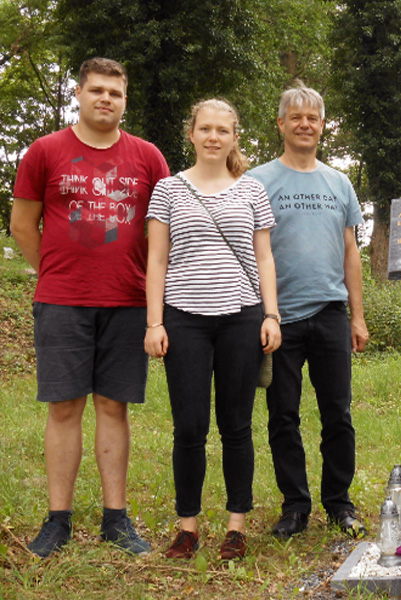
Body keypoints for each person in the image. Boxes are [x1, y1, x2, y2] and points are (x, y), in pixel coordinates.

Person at [10, 57, 169, 558]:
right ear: (78, 93)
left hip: (127, 300)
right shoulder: (45, 151)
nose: (106, 99)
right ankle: (58, 520)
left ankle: (115, 520)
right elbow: (22, 225)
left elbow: (162, 232)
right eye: (97, 90)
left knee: (113, 406)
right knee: (64, 407)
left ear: (125, 100)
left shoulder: (147, 158)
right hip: (61, 302)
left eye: (115, 93)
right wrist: (56, 271)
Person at [144, 98, 281, 560]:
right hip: (183, 320)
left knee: (236, 425)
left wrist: (271, 314)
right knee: (190, 426)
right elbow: (157, 260)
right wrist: (154, 322)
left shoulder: (252, 191)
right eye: (205, 128)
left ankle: (236, 526)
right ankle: (187, 527)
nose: (213, 137)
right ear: (192, 133)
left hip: (241, 319)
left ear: (234, 137)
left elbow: (264, 257)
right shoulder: (167, 190)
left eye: (223, 130)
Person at [248, 83, 369, 540]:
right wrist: (261, 313)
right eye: (295, 117)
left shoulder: (339, 182)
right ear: (280, 124)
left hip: (330, 313)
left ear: (322, 126)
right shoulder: (258, 180)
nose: (304, 124)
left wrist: (357, 316)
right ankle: (295, 506)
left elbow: (350, 252)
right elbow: (248, 249)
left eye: (312, 118)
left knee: (337, 412)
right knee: (283, 415)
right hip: (278, 318)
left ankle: (339, 503)